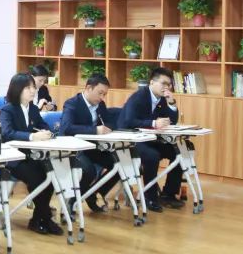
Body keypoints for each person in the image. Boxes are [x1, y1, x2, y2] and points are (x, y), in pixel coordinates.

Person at [0, 73, 61, 236]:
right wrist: (32, 136)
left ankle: (38, 218)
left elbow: (43, 125)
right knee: (37, 178)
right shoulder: (7, 109)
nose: (33, 91)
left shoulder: (32, 109)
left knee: (50, 176)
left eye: (33, 87)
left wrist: (47, 132)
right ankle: (45, 218)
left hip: (32, 156)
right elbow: (7, 133)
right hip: (13, 158)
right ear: (17, 89)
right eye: (28, 88)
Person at [117, 67, 183, 212]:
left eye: (169, 84)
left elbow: (172, 121)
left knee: (178, 151)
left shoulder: (162, 99)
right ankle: (150, 197)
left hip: (149, 139)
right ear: (152, 82)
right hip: (131, 139)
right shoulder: (138, 97)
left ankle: (169, 194)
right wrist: (153, 123)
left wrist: (172, 103)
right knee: (152, 156)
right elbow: (129, 121)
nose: (166, 87)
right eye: (163, 83)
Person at [59, 74, 120, 212]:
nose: (102, 98)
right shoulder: (72, 103)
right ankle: (72, 203)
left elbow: (108, 122)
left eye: (105, 94)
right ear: (88, 88)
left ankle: (94, 192)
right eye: (100, 93)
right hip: (73, 148)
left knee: (119, 162)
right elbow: (66, 128)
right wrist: (95, 130)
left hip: (93, 147)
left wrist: (107, 127)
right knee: (88, 170)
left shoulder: (100, 105)